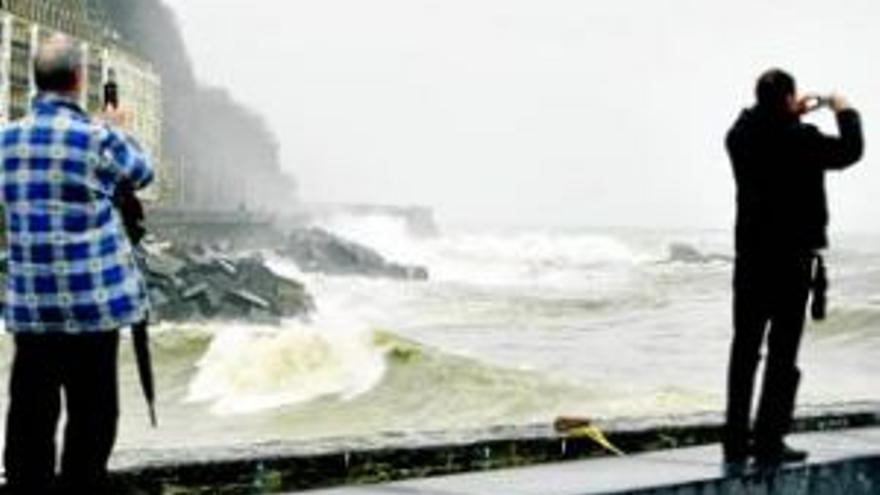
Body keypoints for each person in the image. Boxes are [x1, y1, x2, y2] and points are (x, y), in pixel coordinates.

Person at [0, 34, 153, 493]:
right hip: (93, 308)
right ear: (79, 80)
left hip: (32, 310)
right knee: (91, 416)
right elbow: (141, 172)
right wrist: (119, 127)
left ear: (35, 79)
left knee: (30, 414)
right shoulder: (99, 139)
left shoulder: (5, 142)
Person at [723, 69, 863, 471]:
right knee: (782, 355)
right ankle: (768, 440)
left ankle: (735, 439)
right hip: (790, 263)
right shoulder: (802, 140)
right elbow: (850, 151)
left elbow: (753, 124)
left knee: (744, 351)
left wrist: (786, 113)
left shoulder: (740, 137)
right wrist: (843, 110)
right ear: (787, 99)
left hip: (750, 260)